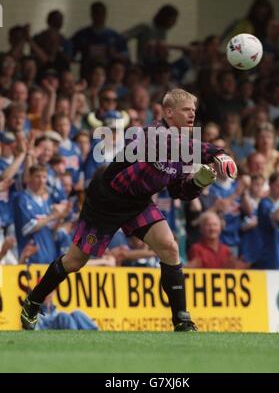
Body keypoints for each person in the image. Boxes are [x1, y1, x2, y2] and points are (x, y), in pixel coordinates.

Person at [20, 88, 237, 332]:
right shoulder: (152, 133)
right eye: (186, 110)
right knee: (74, 261)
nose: (192, 115)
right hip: (106, 201)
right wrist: (218, 153)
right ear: (169, 112)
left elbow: (178, 192)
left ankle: (182, 320)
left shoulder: (184, 151)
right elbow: (178, 145)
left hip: (138, 203)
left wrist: (198, 183)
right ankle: (33, 302)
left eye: (194, 111)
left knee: (169, 246)